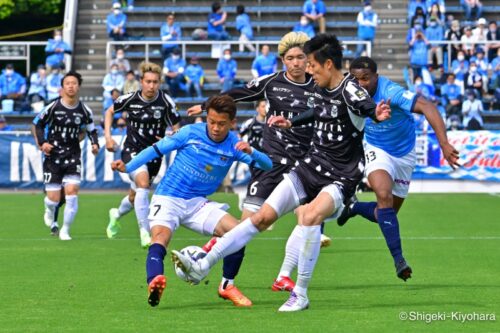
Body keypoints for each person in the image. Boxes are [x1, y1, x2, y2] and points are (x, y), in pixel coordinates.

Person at [176, 34, 392, 312]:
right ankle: (204, 265)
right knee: (262, 217)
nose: (307, 69)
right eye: (297, 59)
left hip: (340, 175)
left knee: (311, 216)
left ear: (327, 64)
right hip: (308, 166)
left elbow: (365, 105)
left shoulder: (350, 89)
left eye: (310, 62)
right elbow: (317, 111)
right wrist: (290, 121)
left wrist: (377, 112)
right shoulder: (313, 85)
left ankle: (299, 292)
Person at [188, 31, 336, 305]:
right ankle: (223, 276)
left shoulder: (319, 87)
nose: (295, 63)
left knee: (309, 219)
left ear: (308, 59)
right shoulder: (271, 83)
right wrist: (209, 104)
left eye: (300, 57)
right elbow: (239, 93)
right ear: (283, 61)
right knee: (245, 226)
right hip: (269, 163)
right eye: (290, 58)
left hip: (303, 166)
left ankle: (284, 277)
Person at [111, 95, 273, 307]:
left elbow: (267, 165)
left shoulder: (235, 145)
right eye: (211, 122)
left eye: (221, 124)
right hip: (169, 196)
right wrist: (129, 166)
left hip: (198, 203)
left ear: (232, 123)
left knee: (239, 233)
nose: (215, 128)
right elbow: (155, 150)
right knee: (159, 237)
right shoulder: (189, 133)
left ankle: (227, 286)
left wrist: (252, 151)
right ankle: (155, 282)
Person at [331, 57, 459, 283]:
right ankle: (399, 260)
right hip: (376, 148)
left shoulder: (391, 91)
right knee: (383, 195)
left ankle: (354, 208)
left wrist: (444, 144)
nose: (360, 84)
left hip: (405, 153)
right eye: (356, 79)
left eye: (365, 79)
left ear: (376, 77)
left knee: (386, 213)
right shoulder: (350, 92)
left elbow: (428, 106)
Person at [105, 62, 181, 248]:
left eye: (155, 82)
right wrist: (107, 137)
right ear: (141, 81)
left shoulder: (165, 102)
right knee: (143, 184)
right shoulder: (130, 98)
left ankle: (116, 214)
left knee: (135, 195)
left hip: (154, 154)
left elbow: (178, 129)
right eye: (148, 81)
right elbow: (109, 111)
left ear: (159, 82)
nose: (151, 86)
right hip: (132, 150)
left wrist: (170, 138)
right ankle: (145, 232)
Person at [32, 71, 99, 240]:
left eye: (74, 83)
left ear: (79, 86)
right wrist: (42, 143)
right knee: (53, 200)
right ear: (62, 87)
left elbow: (91, 130)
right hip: (53, 157)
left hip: (73, 156)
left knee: (72, 192)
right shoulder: (53, 107)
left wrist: (95, 143)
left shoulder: (84, 110)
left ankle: (65, 230)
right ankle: (48, 209)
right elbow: (37, 124)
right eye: (67, 83)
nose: (71, 86)